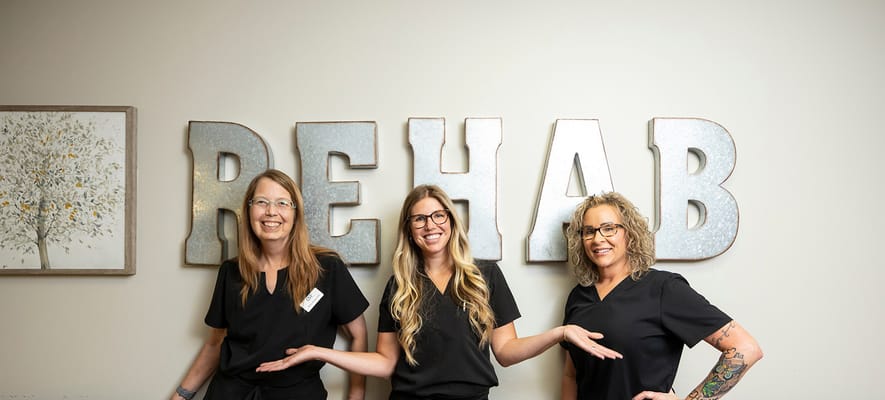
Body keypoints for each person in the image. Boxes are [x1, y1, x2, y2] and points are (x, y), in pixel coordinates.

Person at [257, 184, 621, 400]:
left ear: (450, 221)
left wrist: (560, 333)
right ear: (409, 229)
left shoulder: (485, 275)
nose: (430, 225)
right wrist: (317, 352)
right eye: (419, 218)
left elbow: (506, 353)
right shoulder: (400, 285)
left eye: (438, 216)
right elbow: (385, 364)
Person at [171, 169, 369, 400]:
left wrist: (356, 396)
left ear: (296, 213)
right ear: (249, 210)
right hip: (231, 392)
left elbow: (359, 334)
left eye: (282, 203)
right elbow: (215, 344)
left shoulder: (327, 269)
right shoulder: (231, 272)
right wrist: (181, 396)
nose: (271, 212)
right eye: (261, 202)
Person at [561, 192, 763, 400]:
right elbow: (571, 374)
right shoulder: (579, 296)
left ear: (629, 234)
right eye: (589, 231)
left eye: (609, 228)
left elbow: (745, 348)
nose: (598, 239)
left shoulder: (663, 289)